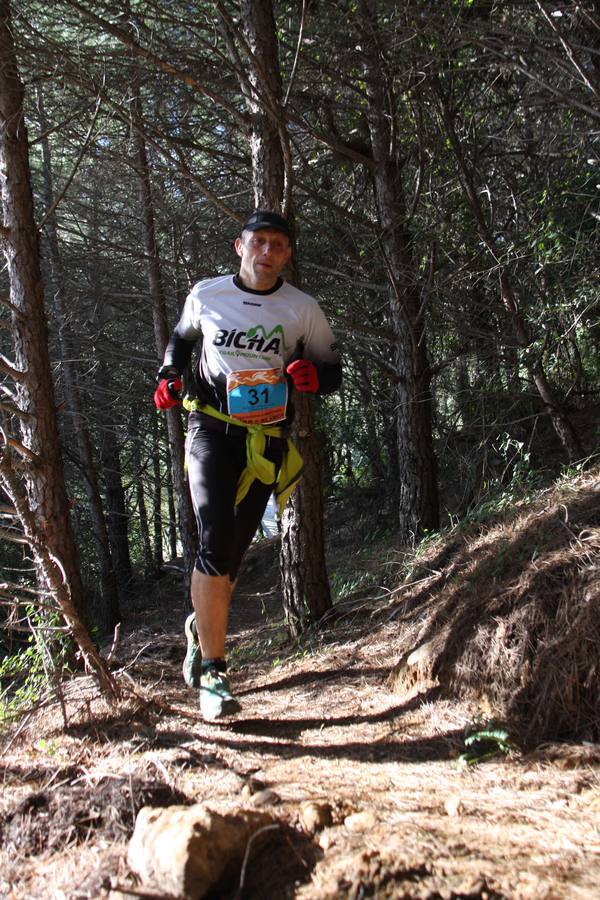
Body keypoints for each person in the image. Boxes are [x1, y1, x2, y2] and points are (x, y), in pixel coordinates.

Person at [154, 210, 342, 721]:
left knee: (232, 554)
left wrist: (312, 380)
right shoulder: (207, 294)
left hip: (266, 439)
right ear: (240, 246)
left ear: (287, 256)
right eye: (259, 241)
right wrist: (169, 374)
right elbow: (182, 338)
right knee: (213, 537)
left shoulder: (302, 309)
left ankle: (199, 628)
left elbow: (331, 372)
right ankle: (214, 672)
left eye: (278, 245)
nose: (267, 251)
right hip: (210, 429)